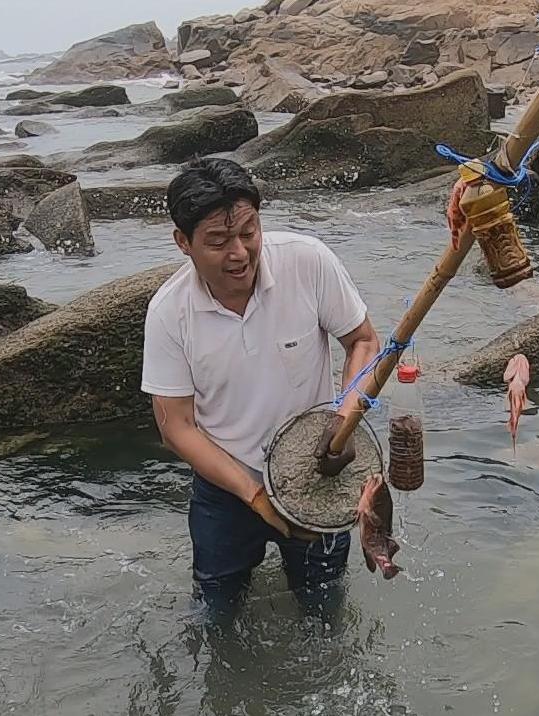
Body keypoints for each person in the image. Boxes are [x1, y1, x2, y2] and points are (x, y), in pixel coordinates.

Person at [140, 158, 381, 624]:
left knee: (325, 612)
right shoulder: (169, 313)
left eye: (248, 232)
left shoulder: (306, 260)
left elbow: (364, 341)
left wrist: (344, 418)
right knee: (216, 615)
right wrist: (254, 496)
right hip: (226, 488)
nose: (240, 253)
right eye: (217, 241)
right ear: (183, 243)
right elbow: (175, 426)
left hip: (317, 475)